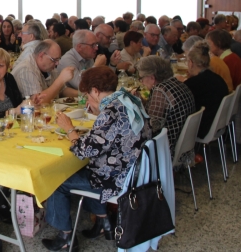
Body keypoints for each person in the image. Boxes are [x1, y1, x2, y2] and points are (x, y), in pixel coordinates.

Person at [42, 66, 151, 251]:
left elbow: (83, 151)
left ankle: (65, 236)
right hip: (133, 169)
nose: (88, 100)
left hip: (116, 178)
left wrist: (69, 128)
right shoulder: (128, 100)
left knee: (55, 179)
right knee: (84, 169)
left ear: (95, 90)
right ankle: (104, 222)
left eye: (88, 96)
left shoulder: (110, 113)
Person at [135, 56, 195, 162]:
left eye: (142, 78)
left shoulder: (160, 91)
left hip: (168, 148)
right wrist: (141, 102)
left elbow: (151, 128)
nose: (142, 82)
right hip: (184, 145)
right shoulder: (178, 84)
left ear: (152, 78)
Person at [178, 41, 229, 139]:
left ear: (191, 63)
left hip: (201, 128)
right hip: (216, 123)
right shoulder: (217, 78)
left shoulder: (193, 84)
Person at [58, 30, 111, 95]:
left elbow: (99, 82)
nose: (96, 48)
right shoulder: (67, 59)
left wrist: (112, 64)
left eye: (96, 44)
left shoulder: (88, 56)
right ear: (79, 47)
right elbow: (81, 85)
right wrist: (96, 67)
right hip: (69, 100)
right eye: (93, 45)